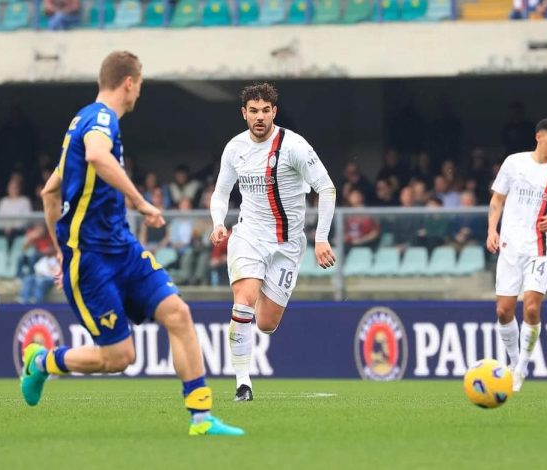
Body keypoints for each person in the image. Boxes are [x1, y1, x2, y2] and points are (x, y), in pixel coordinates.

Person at [27, 51, 243, 436]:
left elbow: (49, 191)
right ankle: (42, 362)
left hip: (122, 249)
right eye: (139, 85)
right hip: (92, 259)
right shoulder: (101, 119)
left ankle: (201, 418)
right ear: (129, 83)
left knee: (178, 313)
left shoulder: (81, 123)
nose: (139, 93)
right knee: (119, 357)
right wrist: (140, 202)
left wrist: (60, 250)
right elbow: (97, 155)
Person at [209, 82, 336, 401]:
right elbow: (221, 192)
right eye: (253, 111)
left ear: (274, 112)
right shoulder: (235, 148)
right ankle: (243, 384)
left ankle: (258, 292)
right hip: (248, 235)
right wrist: (218, 222)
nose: (260, 117)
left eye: (265, 110)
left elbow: (327, 188)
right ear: (244, 113)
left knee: (266, 323)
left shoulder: (294, 146)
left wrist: (321, 238)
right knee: (244, 298)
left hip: (287, 245)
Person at [487, 118, 547, 392]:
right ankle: (514, 361)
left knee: (530, 307)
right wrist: (492, 230)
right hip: (510, 245)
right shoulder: (514, 163)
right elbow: (497, 199)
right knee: (503, 310)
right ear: (539, 137)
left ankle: (522, 368)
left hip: (540, 247)